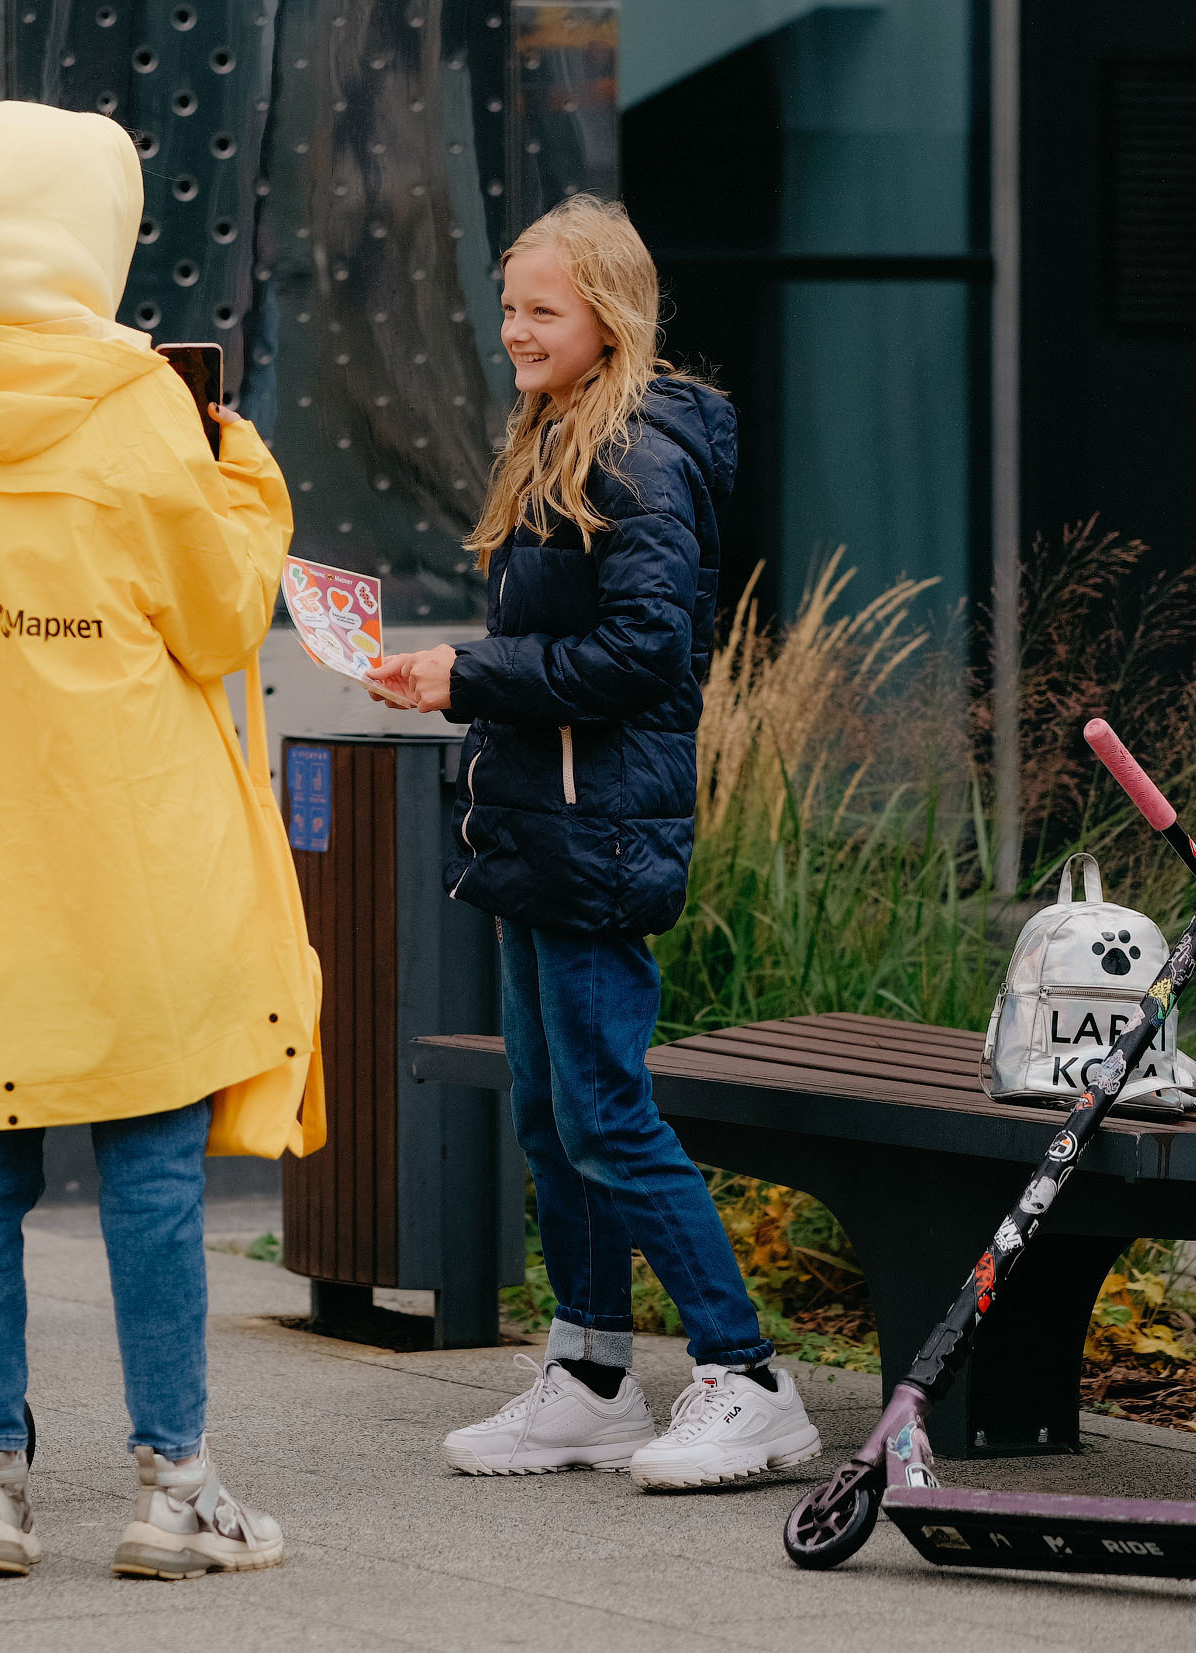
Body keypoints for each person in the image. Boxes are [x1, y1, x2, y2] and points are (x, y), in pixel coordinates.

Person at [0, 100, 322, 1580]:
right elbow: (218, 613)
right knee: (153, 1167)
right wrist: (241, 468)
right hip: (133, 854)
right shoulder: (134, 404)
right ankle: (173, 1486)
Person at [367, 195, 819, 1490]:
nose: (515, 328)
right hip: (537, 829)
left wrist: (471, 672)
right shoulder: (561, 439)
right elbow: (560, 650)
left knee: (609, 1114)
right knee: (553, 1117)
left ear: (609, 318)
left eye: (542, 309)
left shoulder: (638, 458)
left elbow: (645, 655)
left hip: (596, 830)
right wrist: (448, 676)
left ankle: (748, 1378)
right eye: (509, 305)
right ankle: (591, 1375)